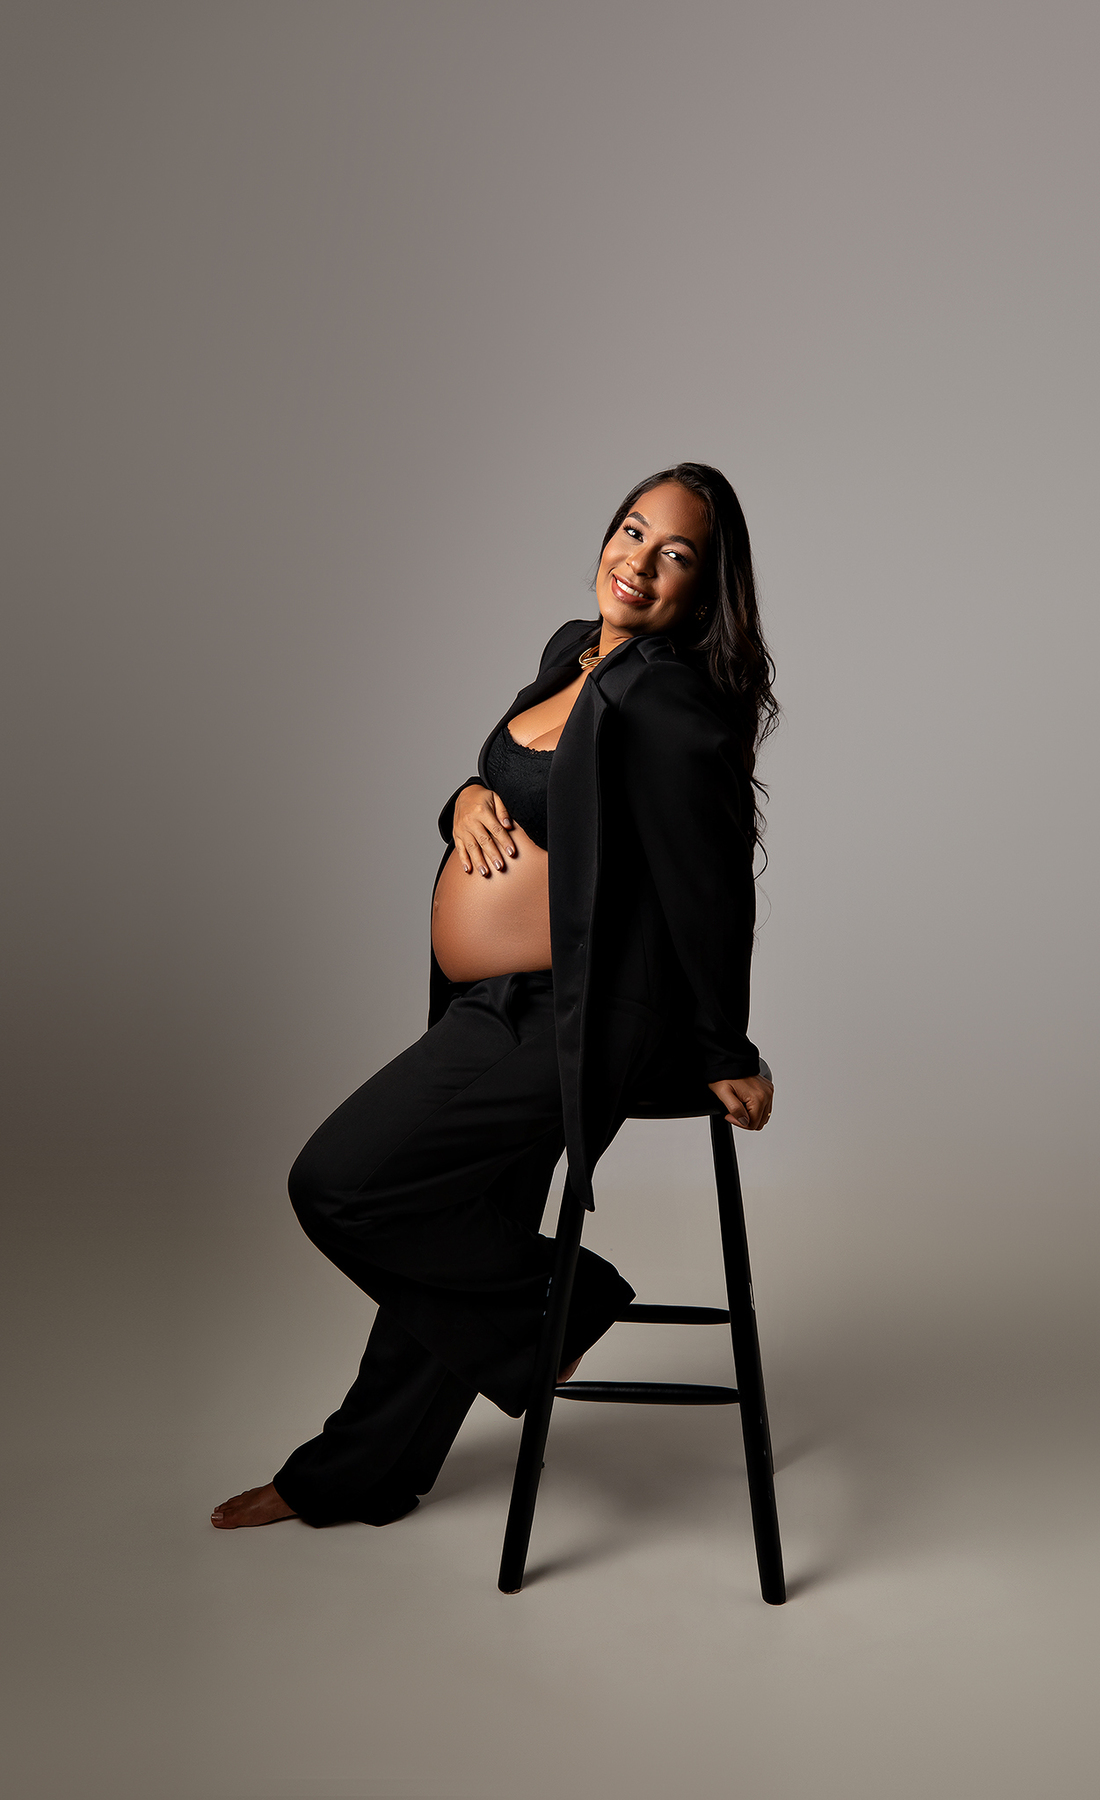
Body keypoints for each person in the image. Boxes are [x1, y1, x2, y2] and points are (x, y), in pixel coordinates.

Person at [211, 462, 778, 1530]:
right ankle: (357, 1473)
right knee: (454, 1215)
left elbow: (711, 885)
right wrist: (460, 798)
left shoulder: (667, 697)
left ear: (704, 590)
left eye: (676, 554)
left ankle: (567, 1302)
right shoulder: (573, 651)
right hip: (503, 1002)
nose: (640, 561)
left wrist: (724, 1047)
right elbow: (516, 784)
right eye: (632, 530)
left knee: (339, 1183)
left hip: (585, 1015)